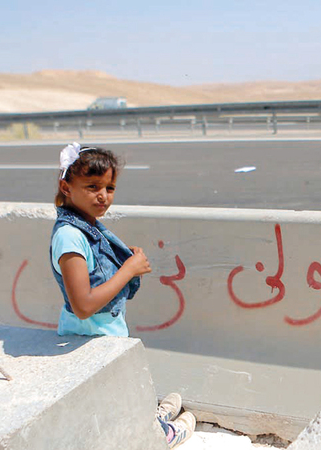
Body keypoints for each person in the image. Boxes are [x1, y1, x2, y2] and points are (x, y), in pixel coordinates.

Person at [50, 143, 195, 448]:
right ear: (66, 186)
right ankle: (161, 436)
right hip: (89, 341)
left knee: (121, 397)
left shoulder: (87, 227)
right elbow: (84, 306)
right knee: (112, 407)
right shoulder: (69, 237)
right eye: (92, 186)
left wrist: (124, 260)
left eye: (110, 187)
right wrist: (128, 270)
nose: (103, 196)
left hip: (103, 336)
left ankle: (148, 416)